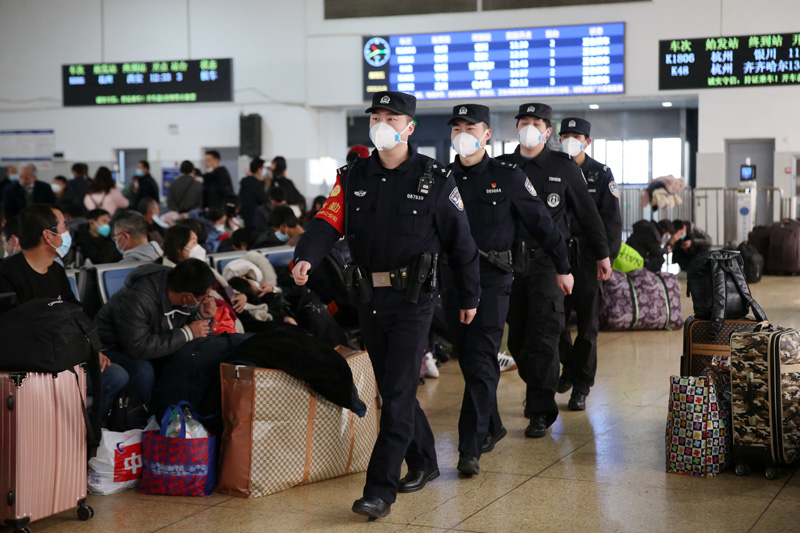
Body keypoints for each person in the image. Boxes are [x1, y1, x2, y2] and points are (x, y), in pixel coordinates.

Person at [292, 91, 480, 519]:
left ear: (409, 127)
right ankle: (425, 459)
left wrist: (470, 296)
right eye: (375, 116)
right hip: (368, 299)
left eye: (391, 118)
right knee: (394, 389)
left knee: (396, 394)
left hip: (413, 302)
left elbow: (461, 242)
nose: (381, 124)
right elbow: (326, 222)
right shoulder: (353, 176)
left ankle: (379, 490)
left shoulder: (434, 178)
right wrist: (307, 256)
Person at [445, 104, 572, 475]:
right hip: (453, 280)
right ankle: (493, 425)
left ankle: (469, 447)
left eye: (470, 127)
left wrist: (563, 266)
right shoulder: (442, 177)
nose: (463, 134)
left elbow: (543, 224)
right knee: (469, 359)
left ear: (486, 134)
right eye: (457, 128)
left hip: (493, 279)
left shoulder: (508, 176)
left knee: (482, 357)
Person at [496, 103, 611, 439]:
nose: (529, 128)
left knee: (544, 338)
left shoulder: (563, 167)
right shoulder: (502, 167)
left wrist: (603, 254)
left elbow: (588, 215)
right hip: (509, 265)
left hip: (548, 263)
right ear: (516, 128)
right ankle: (539, 385)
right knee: (518, 340)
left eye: (537, 123)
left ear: (548, 132)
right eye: (524, 122)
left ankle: (540, 409)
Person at [0, 204, 127, 416]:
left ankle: (87, 431)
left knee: (117, 375)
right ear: (47, 236)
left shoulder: (56, 271)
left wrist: (91, 349)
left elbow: (73, 312)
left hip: (63, 355)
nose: (67, 232)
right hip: (29, 365)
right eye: (63, 226)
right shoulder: (7, 274)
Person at [94, 258, 248, 420]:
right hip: (112, 347)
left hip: (152, 341)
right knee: (143, 371)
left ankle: (181, 414)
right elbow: (138, 347)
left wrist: (201, 317)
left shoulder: (180, 290)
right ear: (187, 297)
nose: (206, 300)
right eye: (203, 297)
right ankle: (136, 420)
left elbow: (184, 328)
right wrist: (186, 333)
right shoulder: (137, 300)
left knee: (195, 357)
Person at [556, 118, 622, 410]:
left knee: (586, 326)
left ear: (588, 141)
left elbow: (611, 221)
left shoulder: (601, 174)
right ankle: (570, 365)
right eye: (566, 135)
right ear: (558, 139)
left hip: (588, 258)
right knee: (554, 321)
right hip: (557, 256)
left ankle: (581, 386)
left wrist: (606, 257)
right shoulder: (553, 167)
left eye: (577, 135)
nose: (571, 140)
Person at [239, 157, 270, 228]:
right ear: (259, 169)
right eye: (263, 168)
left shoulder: (245, 183)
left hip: (245, 217)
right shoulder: (256, 184)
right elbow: (264, 199)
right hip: (255, 218)